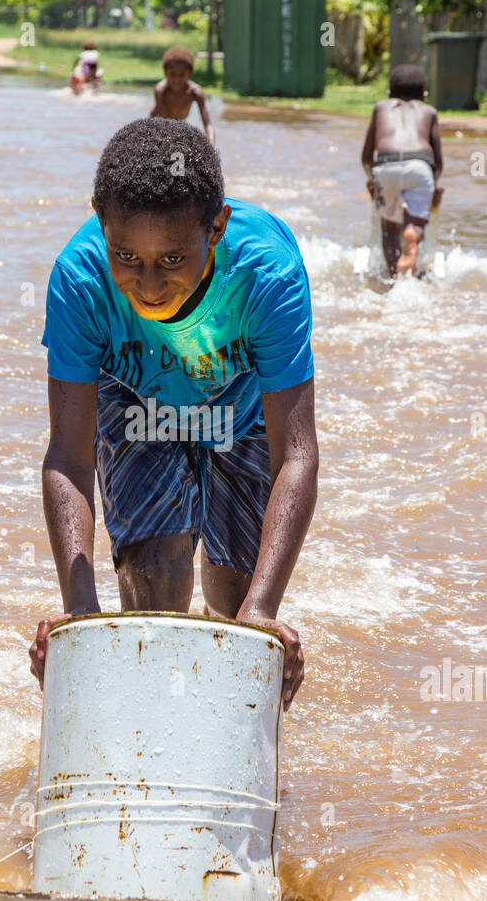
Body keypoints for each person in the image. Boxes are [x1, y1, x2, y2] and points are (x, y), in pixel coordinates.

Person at [30, 117, 319, 709]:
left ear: (216, 228)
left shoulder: (267, 275)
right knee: (153, 583)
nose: (150, 285)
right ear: (101, 223)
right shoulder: (79, 278)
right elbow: (68, 457)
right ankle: (152, 716)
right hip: (138, 404)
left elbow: (297, 454)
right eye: (128, 257)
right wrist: (80, 616)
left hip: (241, 407)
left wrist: (262, 612)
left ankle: (223, 712)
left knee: (235, 609)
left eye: (173, 259)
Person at [361, 64, 444, 277]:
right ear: (424, 96)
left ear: (389, 95)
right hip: (420, 166)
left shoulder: (381, 107)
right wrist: (433, 188)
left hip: (385, 167)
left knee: (388, 225)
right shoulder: (429, 111)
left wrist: (372, 181)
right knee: (416, 221)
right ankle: (411, 233)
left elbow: (366, 155)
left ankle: (393, 277)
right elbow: (439, 161)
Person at [151, 45, 215, 144]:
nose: (177, 79)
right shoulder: (160, 91)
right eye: (172, 74)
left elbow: (207, 125)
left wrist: (212, 145)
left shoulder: (195, 92)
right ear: (165, 72)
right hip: (159, 120)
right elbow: (159, 122)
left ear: (190, 73)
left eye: (182, 74)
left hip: (179, 122)